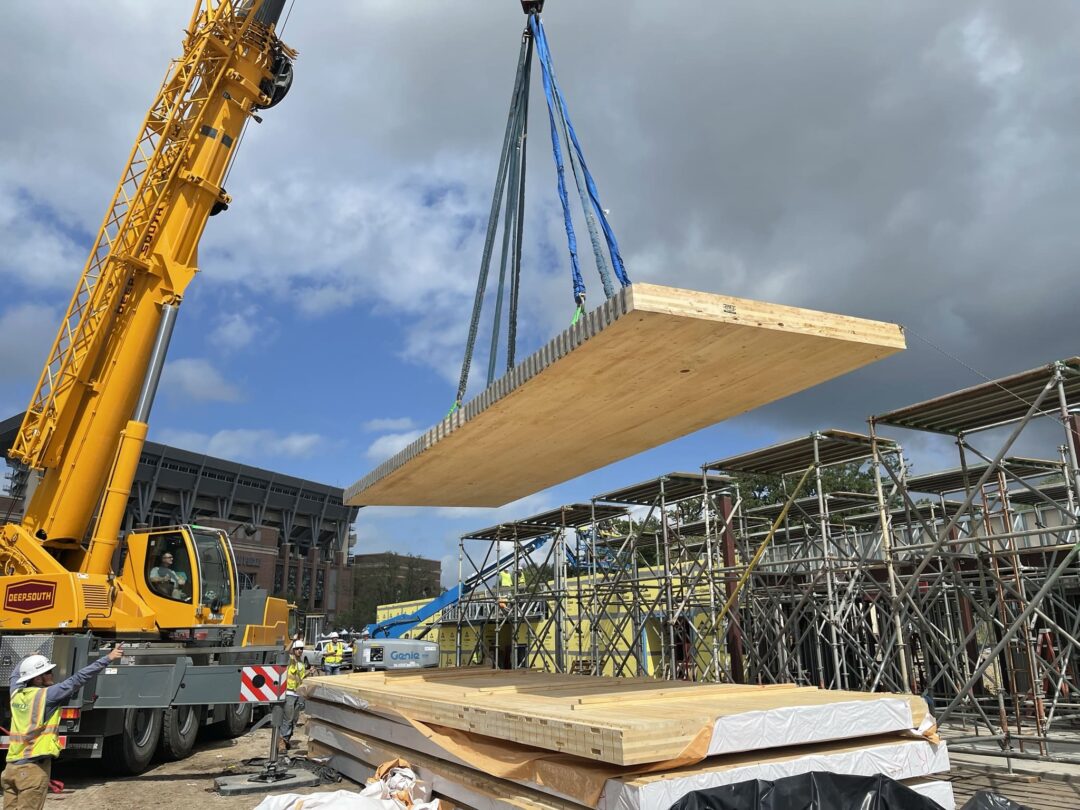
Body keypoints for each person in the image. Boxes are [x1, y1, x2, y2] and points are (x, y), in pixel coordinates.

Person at [3, 644, 125, 809]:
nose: (52, 674)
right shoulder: (48, 695)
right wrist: (108, 658)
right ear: (37, 678)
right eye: (47, 672)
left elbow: (14, 677)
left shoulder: (16, 695)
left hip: (10, 771)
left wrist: (27, 659)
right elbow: (79, 679)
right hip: (31, 770)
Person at [279, 640, 307, 754]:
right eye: (297, 648)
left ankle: (286, 741)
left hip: (298, 694)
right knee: (288, 719)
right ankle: (281, 742)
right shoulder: (290, 660)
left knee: (294, 720)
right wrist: (292, 641)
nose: (300, 650)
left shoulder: (301, 664)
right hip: (289, 693)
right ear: (294, 650)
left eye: (301, 649)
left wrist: (310, 672)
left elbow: (300, 678)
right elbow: (284, 652)